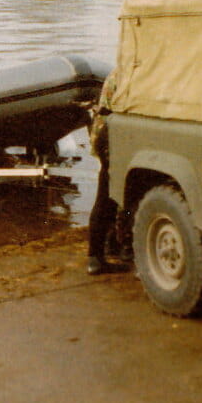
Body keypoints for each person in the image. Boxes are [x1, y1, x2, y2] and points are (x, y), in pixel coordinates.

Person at [87, 72, 127, 275]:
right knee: (106, 198)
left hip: (105, 132)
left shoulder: (119, 72)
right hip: (111, 136)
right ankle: (96, 257)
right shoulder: (125, 76)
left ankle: (110, 247)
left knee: (110, 196)